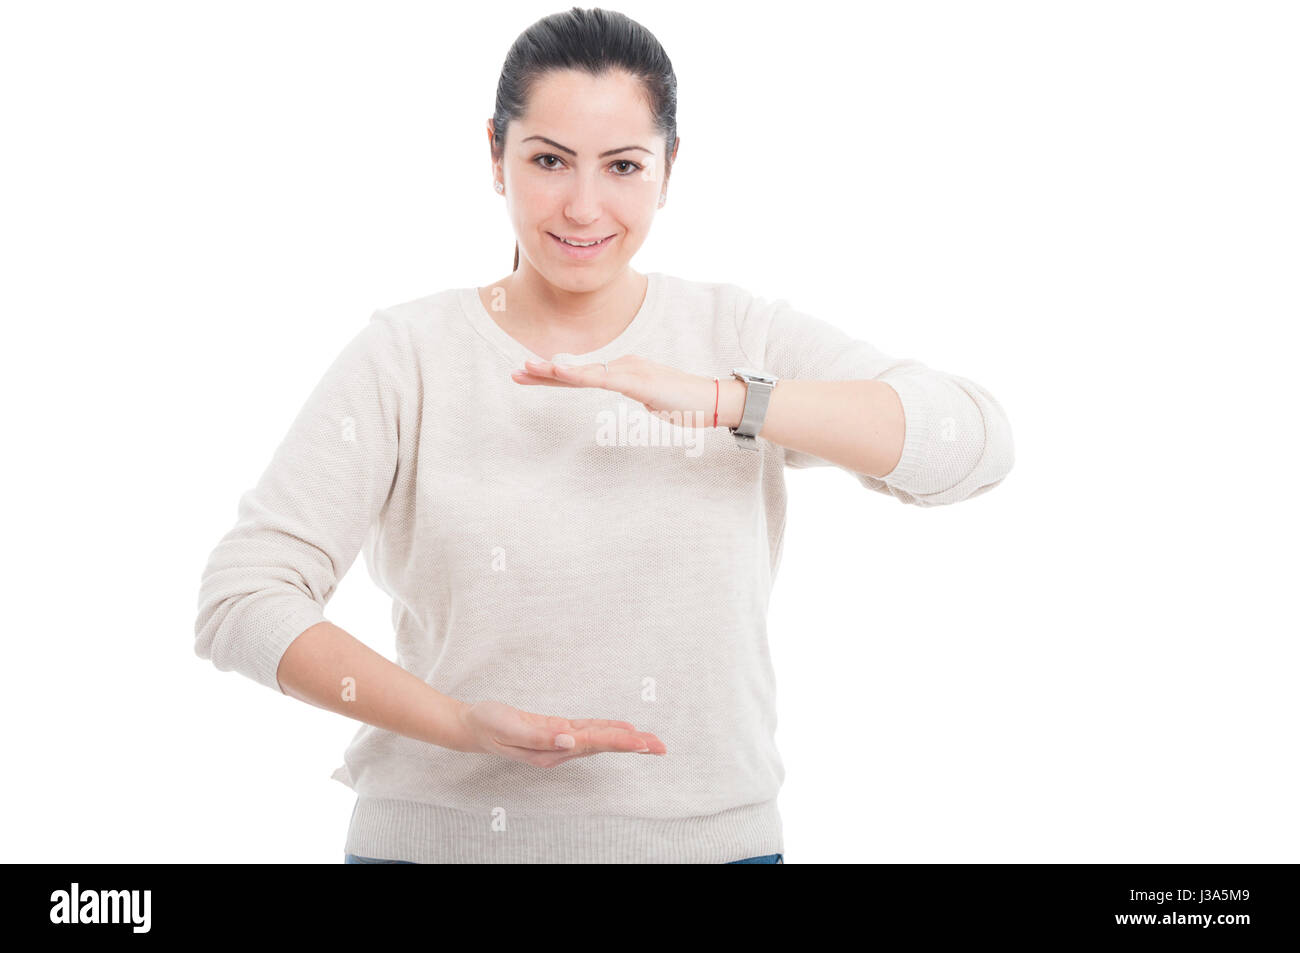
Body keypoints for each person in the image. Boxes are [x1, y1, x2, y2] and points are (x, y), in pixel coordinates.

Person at [193, 6, 1015, 864]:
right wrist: (461, 726)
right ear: (493, 154)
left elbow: (973, 443)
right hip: (439, 845)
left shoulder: (739, 336)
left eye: (623, 166)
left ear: (669, 168)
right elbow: (242, 599)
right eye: (548, 160)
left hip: (712, 848)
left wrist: (722, 398)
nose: (583, 207)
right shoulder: (408, 356)